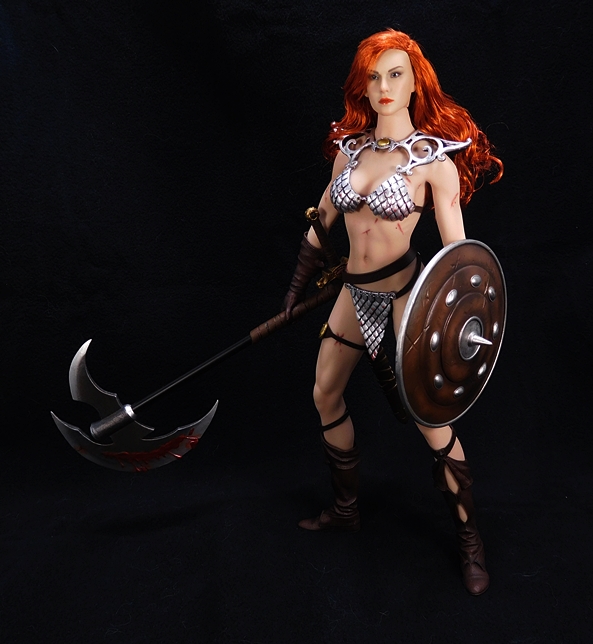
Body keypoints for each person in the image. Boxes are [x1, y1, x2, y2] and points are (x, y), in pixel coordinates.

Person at [283, 29, 503, 596]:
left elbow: (460, 259)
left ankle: (469, 538)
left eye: (396, 74)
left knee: (431, 418)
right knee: (324, 393)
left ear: (415, 84)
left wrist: (457, 326)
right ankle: (346, 510)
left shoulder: (434, 163)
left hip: (406, 296)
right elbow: (322, 220)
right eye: (374, 76)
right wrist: (296, 286)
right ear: (363, 85)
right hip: (351, 295)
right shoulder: (349, 152)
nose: (384, 86)